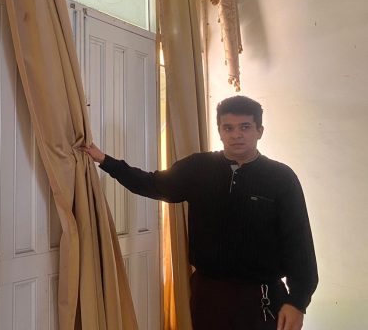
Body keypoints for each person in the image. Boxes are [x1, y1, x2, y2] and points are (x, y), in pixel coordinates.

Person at [81, 95, 318, 330]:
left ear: (260, 131)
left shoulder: (281, 178)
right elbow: (151, 183)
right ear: (220, 131)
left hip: (262, 298)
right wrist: (105, 161)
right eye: (228, 128)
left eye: (245, 127)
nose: (236, 134)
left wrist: (298, 302)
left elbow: (299, 242)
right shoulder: (198, 168)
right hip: (208, 295)